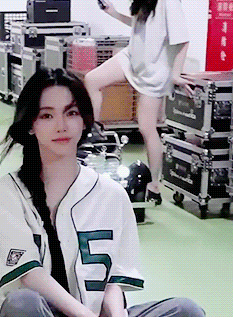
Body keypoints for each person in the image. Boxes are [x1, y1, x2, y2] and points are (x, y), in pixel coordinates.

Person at [0, 68, 205, 317]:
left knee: (187, 314)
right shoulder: (9, 192)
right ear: (31, 125)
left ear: (84, 119)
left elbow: (115, 278)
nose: (61, 125)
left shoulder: (111, 195)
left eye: (71, 113)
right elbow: (28, 274)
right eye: (47, 115)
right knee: (25, 306)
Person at [86, 0, 194, 205]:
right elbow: (140, 25)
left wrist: (176, 74)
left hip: (155, 71)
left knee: (146, 128)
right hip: (133, 57)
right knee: (92, 80)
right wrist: (113, 13)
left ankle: (154, 186)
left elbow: (183, 40)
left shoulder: (169, 2)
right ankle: (95, 132)